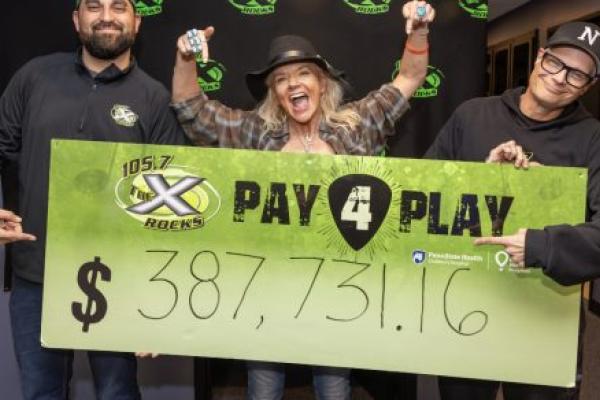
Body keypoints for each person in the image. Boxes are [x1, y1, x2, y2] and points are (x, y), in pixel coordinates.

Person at [170, 1, 435, 399]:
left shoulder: (356, 124)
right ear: (275, 94)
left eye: (303, 74)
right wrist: (185, 57)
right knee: (263, 387)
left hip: (337, 286)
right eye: (280, 80)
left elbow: (411, 77)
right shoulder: (256, 133)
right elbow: (192, 109)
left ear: (322, 83)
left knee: (333, 386)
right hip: (269, 285)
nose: (292, 84)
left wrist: (418, 30)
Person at [0, 0, 186, 398]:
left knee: (117, 392)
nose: (106, 15)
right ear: (76, 18)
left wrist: (155, 293)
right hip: (37, 272)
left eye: (119, 7)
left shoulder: (154, 98)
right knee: (39, 392)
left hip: (119, 276)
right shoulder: (34, 77)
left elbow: (167, 202)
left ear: (136, 21)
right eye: (93, 6)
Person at [425, 21, 600, 400]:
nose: (559, 78)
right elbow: (423, 198)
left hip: (546, 313)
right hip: (467, 302)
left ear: (587, 86)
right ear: (540, 57)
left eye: (577, 75)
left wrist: (542, 240)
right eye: (555, 63)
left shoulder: (593, 139)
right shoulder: (472, 116)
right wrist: (481, 180)